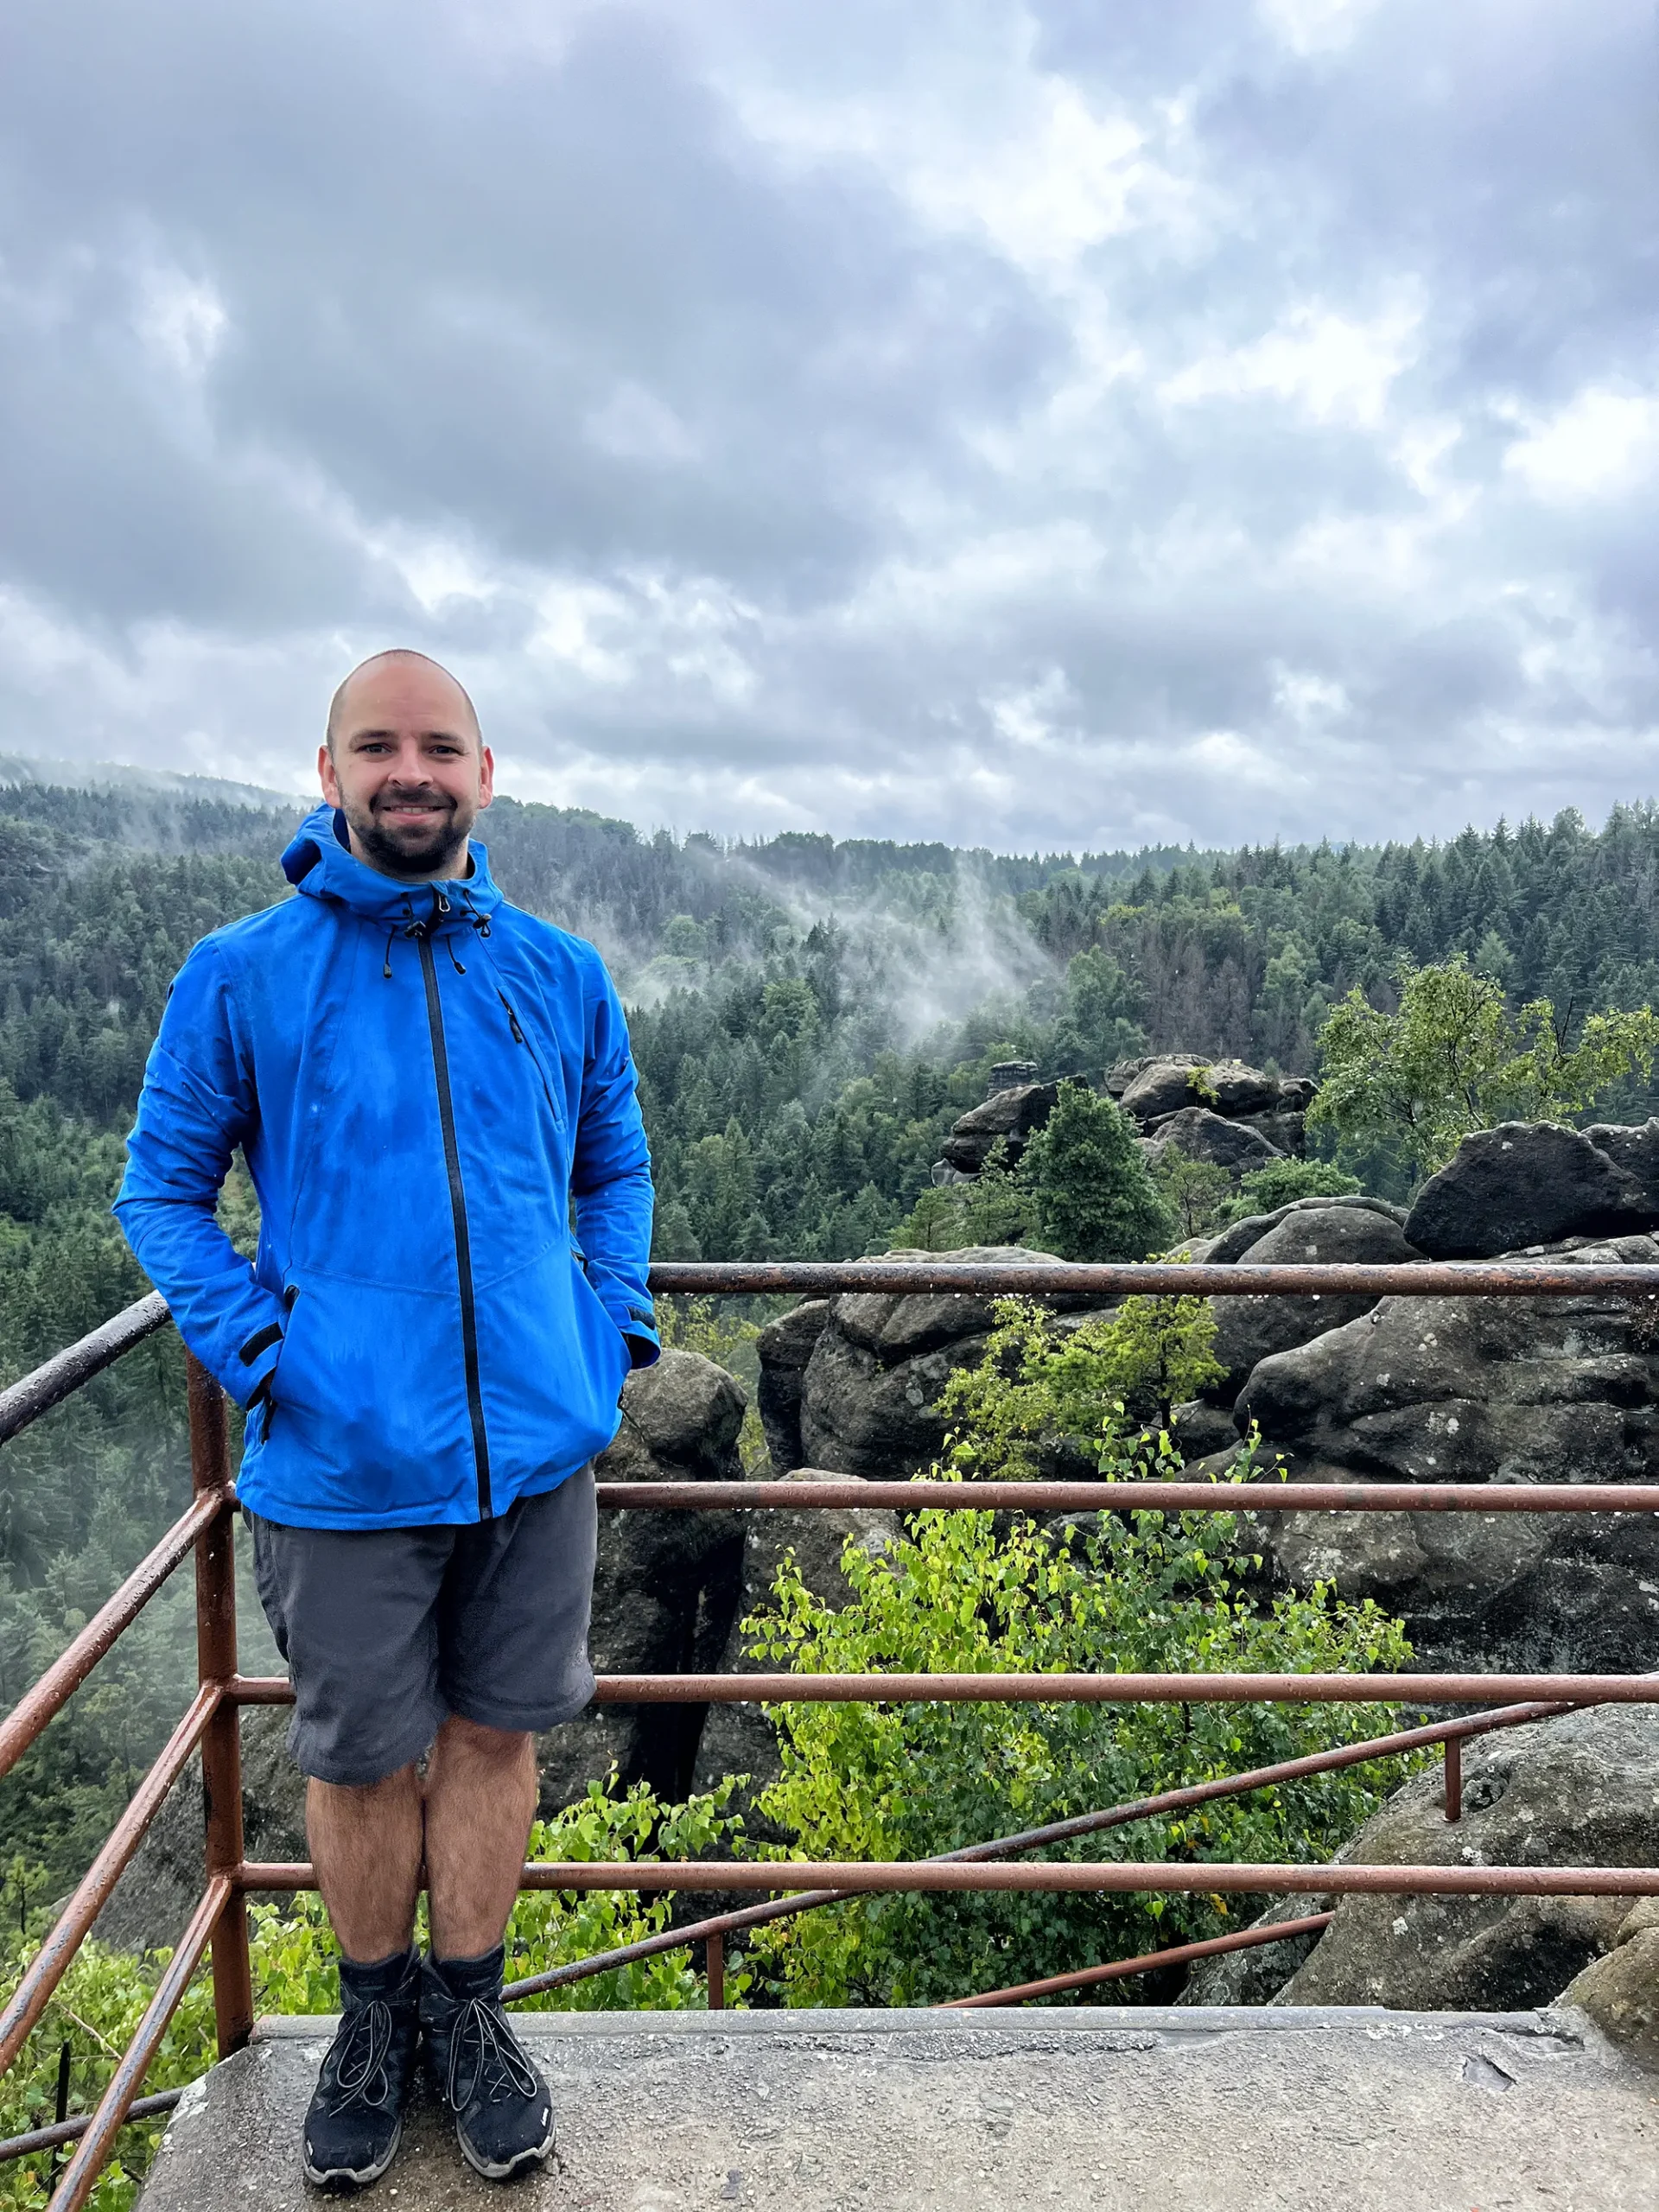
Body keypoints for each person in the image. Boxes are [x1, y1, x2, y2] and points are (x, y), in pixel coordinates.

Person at [116, 650, 657, 2192]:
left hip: (535, 1452)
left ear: (486, 776)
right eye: (377, 747)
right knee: (358, 1761)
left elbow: (612, 1167)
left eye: (438, 748)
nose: (408, 771)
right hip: (342, 1458)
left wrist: (604, 1330)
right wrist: (263, 1355)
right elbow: (159, 1187)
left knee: (494, 1739)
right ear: (330, 771)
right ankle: (371, 2027)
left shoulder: (557, 974)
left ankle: (469, 2019)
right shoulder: (243, 972)